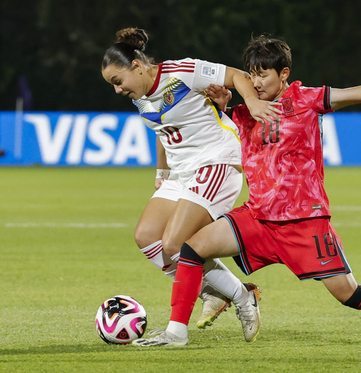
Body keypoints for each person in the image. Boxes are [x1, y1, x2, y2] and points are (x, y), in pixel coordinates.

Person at [132, 35, 361, 347]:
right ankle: (177, 333)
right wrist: (223, 107)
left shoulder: (307, 100)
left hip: (304, 223)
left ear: (284, 74)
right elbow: (207, 134)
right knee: (190, 249)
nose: (256, 83)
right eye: (252, 74)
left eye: (263, 74)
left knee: (347, 293)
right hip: (258, 218)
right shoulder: (246, 114)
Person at [101, 28, 282, 342]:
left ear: (137, 67)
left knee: (175, 245)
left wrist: (251, 102)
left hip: (216, 163)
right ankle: (215, 292)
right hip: (182, 172)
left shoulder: (181, 72)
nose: (117, 90)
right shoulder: (141, 98)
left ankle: (225, 305)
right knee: (146, 237)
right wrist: (162, 172)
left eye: (118, 82)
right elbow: (162, 129)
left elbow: (238, 76)